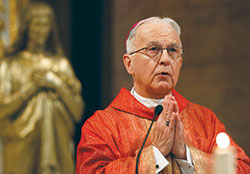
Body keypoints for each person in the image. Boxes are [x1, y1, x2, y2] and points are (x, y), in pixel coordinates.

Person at [76, 16, 250, 174]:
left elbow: (242, 168)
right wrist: (155, 154)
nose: (165, 59)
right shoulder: (101, 127)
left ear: (180, 63)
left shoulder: (205, 120)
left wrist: (186, 155)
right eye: (153, 49)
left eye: (173, 50)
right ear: (129, 64)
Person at [0, 2, 84, 174]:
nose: (41, 30)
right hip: (20, 143)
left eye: (45, 24)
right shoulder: (10, 65)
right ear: (26, 26)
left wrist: (56, 84)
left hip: (57, 145)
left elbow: (77, 111)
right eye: (36, 24)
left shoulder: (60, 65)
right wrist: (31, 89)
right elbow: (2, 110)